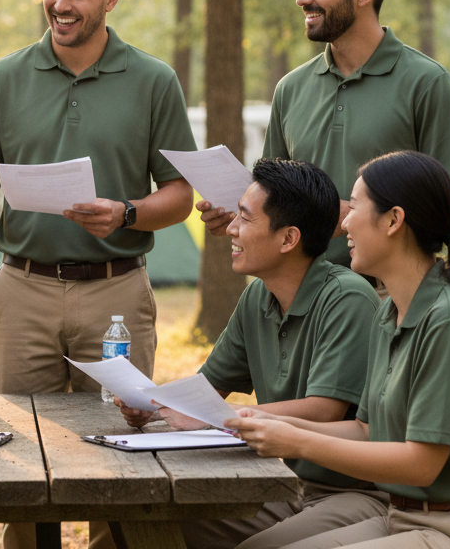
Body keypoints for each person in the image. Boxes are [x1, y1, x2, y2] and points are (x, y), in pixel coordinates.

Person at [0, 0, 197, 547]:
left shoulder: (153, 79)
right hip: (23, 289)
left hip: (116, 295)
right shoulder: (1, 78)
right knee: (22, 460)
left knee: (125, 448)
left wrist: (127, 214)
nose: (60, 4)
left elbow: (181, 195)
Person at [225, 151, 450, 549]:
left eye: (356, 206)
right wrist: (270, 425)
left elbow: (421, 464)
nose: (345, 220)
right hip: (403, 518)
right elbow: (367, 431)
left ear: (393, 220)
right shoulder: (390, 312)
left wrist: (297, 442)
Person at [115, 159, 385, 549]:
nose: (231, 229)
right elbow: (208, 388)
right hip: (276, 479)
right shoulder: (258, 296)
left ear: (288, 239)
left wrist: (219, 417)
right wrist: (154, 404)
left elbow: (323, 409)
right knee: (147, 515)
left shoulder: (347, 298)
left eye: (244, 218)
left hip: (346, 493)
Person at [200, 0, 450, 267]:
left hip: (389, 296)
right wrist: (241, 218)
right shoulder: (290, 88)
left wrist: (353, 217)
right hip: (304, 292)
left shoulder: (429, 83)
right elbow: (274, 199)